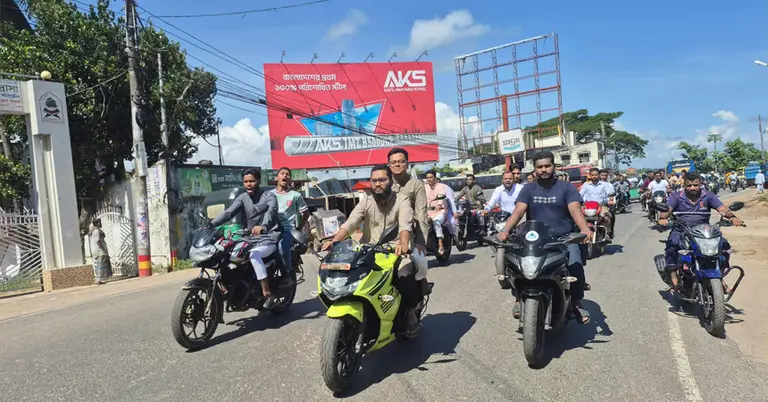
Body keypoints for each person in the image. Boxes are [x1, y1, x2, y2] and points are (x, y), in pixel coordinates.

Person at [322, 164, 422, 337]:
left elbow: (405, 224)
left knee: (405, 276)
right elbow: (350, 223)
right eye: (374, 180)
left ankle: (411, 313)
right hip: (368, 251)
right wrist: (334, 241)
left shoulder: (402, 200)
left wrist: (403, 243)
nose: (377, 184)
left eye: (382, 180)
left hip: (396, 251)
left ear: (390, 181)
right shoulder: (366, 201)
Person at [497, 151, 592, 323]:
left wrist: (585, 229)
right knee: (516, 266)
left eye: (547, 166)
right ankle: (519, 298)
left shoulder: (567, 188)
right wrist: (506, 230)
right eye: (540, 167)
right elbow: (518, 212)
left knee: (575, 264)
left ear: (554, 166)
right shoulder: (528, 188)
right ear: (534, 170)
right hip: (536, 238)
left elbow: (575, 211)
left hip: (563, 238)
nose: (544, 170)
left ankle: (576, 302)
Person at [657, 171, 743, 292]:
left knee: (724, 247)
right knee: (672, 247)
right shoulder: (676, 196)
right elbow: (666, 211)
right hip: (681, 230)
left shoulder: (708, 195)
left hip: (704, 231)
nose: (692, 188)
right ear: (684, 185)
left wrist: (733, 217)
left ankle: (720, 278)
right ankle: (674, 279)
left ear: (700, 184)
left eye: (695, 185)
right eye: (689, 185)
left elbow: (722, 209)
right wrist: (663, 219)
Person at [210, 168, 281, 309]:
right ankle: (231, 288)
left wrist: (263, 226)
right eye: (246, 181)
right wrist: (211, 224)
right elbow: (229, 212)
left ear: (259, 181)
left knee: (254, 255)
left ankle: (267, 294)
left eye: (252, 181)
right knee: (225, 254)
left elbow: (271, 212)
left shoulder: (269, 196)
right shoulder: (243, 198)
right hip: (249, 238)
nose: (249, 184)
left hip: (268, 236)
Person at [388, 148, 430, 295]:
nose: (397, 165)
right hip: (386, 235)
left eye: (401, 161)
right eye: (393, 162)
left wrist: (420, 242)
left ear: (407, 164)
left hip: (409, 234)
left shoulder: (416, 184)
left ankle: (416, 299)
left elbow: (421, 214)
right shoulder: (384, 183)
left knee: (416, 266)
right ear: (389, 165)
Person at [271, 167, 309, 278]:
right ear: (276, 177)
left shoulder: (295, 195)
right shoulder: (269, 194)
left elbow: (305, 214)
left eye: (287, 174)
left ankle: (286, 275)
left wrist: (298, 229)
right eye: (282, 173)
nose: (285, 176)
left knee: (282, 248)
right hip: (271, 230)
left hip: (287, 230)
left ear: (290, 179)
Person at [580, 167, 614, 240]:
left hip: (601, 207)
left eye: (596, 175)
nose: (594, 177)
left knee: (607, 218)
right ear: (590, 175)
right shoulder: (586, 185)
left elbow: (610, 194)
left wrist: (611, 200)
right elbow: (580, 195)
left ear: (598, 175)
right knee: (579, 219)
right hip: (588, 208)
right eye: (592, 175)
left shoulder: (604, 184)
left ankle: (607, 234)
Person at [425, 170, 451, 254]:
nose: (429, 179)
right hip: (428, 212)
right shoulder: (425, 187)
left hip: (441, 211)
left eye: (431, 177)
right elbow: (421, 198)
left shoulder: (440, 186)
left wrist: (439, 205)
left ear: (435, 178)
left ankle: (440, 245)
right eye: (427, 178)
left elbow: (441, 196)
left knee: (436, 222)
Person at [89, 218, 111, 285]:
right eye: (100, 222)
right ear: (97, 223)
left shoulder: (94, 231)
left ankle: (100, 279)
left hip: (97, 250)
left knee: (100, 264)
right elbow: (98, 241)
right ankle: (98, 279)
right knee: (100, 265)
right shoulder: (96, 231)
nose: (101, 224)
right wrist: (103, 248)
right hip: (99, 250)